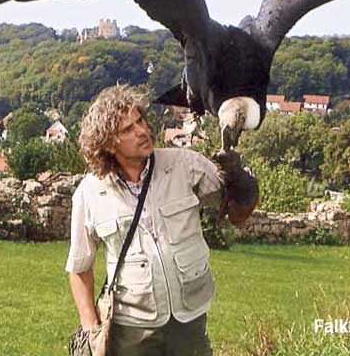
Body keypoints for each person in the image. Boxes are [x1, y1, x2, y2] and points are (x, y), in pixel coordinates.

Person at [65, 85, 258, 355]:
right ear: (108, 143)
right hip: (130, 328)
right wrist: (91, 329)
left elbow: (238, 215)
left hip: (188, 320)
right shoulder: (90, 192)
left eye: (140, 121)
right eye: (128, 129)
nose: (142, 131)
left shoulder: (185, 165)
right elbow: (79, 267)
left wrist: (242, 183)